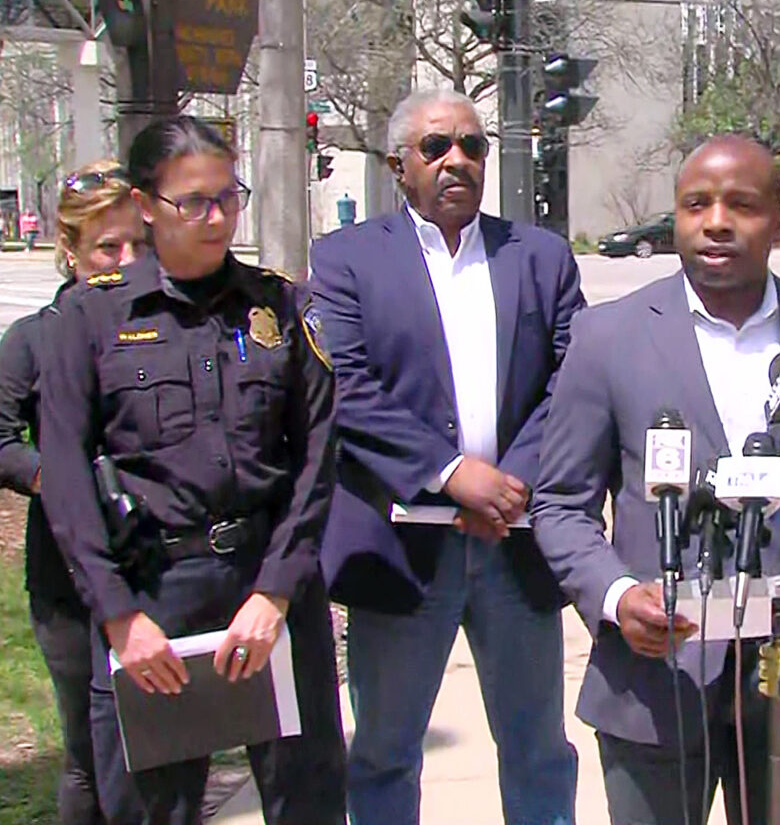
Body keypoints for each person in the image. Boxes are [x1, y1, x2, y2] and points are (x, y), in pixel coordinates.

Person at [531, 133, 780, 825]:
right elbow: (560, 504)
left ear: (778, 220)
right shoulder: (607, 337)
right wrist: (613, 595)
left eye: (742, 204)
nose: (717, 221)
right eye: (697, 204)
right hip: (653, 675)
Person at [37, 116, 347, 825]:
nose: (217, 219)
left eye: (228, 199)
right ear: (146, 206)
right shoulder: (93, 318)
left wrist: (275, 593)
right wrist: (119, 616)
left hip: (267, 586)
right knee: (154, 810)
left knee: (309, 802)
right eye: (195, 202)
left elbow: (316, 453)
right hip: (155, 596)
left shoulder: (278, 305)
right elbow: (67, 477)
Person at [307, 88, 583, 825]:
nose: (456, 160)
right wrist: (454, 474)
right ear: (399, 166)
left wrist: (510, 483)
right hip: (401, 549)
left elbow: (572, 378)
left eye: (472, 145)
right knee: (385, 754)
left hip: (513, 543)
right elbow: (347, 387)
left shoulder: (541, 257)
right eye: (436, 148)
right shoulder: (344, 260)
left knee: (537, 748)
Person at [0, 161, 145, 824]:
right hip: (65, 578)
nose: (124, 261)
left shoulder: (162, 328)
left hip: (153, 570)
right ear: (70, 251)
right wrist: (62, 479)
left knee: (161, 747)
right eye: (106, 248)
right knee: (91, 754)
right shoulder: (32, 340)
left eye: (136, 245)